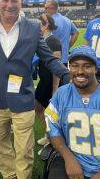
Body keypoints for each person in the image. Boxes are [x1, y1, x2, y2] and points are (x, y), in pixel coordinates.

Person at [0, 0, 70, 179]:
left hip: (23, 97)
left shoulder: (33, 26)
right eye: (5, 0)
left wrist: (66, 74)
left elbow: (48, 57)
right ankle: (10, 176)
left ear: (21, 2)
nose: (9, 5)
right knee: (2, 146)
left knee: (25, 148)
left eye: (14, 0)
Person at [44, 45, 100, 179]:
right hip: (71, 161)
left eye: (87, 66)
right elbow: (52, 128)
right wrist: (69, 158)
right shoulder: (61, 94)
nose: (80, 71)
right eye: (74, 65)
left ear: (96, 69)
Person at [34, 13, 62, 147]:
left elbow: (56, 67)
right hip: (44, 81)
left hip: (51, 83)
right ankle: (49, 134)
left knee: (51, 113)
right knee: (38, 106)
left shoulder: (53, 41)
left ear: (46, 26)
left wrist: (55, 89)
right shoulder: (43, 39)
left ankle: (54, 139)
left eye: (39, 25)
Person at [44, 0, 79, 66]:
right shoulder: (67, 20)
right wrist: (68, 46)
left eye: (46, 8)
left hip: (50, 58)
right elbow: (76, 32)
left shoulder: (48, 21)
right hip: (64, 58)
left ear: (52, 8)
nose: (45, 9)